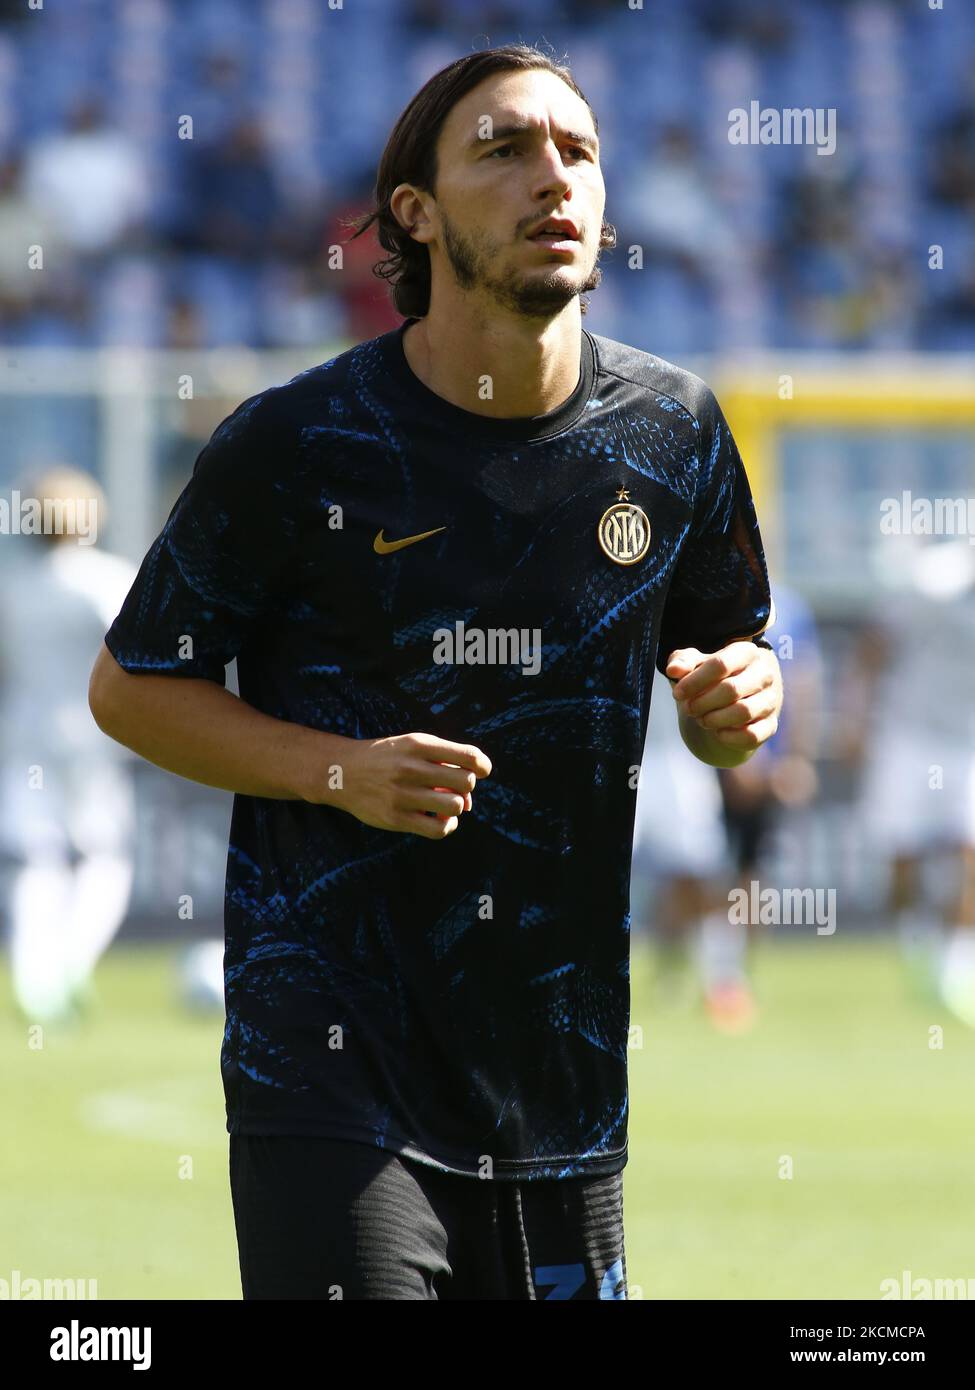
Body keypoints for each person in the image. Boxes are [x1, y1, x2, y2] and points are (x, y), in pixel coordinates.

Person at [88, 43, 782, 1301]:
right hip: (330, 1063)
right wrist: (338, 770)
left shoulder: (675, 431)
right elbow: (133, 685)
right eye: (504, 149)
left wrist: (738, 710)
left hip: (559, 1077)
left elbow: (733, 666)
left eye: (576, 150)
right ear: (415, 211)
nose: (552, 177)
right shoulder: (298, 442)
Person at [1, 468, 137, 1024]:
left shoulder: (11, 587)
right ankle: (72, 964)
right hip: (93, 736)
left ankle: (35, 974)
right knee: (105, 856)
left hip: (23, 735)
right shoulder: (107, 581)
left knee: (36, 859)